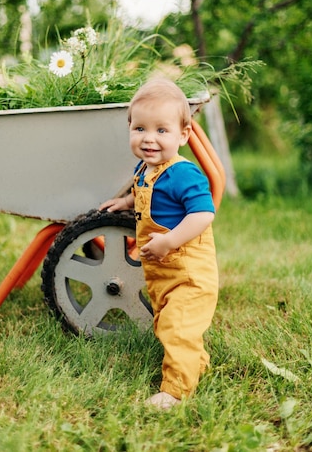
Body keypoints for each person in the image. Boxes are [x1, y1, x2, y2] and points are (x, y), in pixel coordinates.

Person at [99, 77, 219, 409]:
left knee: (177, 327)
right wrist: (125, 203)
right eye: (140, 129)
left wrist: (168, 242)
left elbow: (202, 215)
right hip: (164, 273)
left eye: (161, 131)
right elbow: (145, 192)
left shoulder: (184, 173)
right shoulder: (147, 168)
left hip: (188, 272)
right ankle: (194, 366)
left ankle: (176, 392)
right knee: (169, 322)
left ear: (183, 134)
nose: (149, 138)